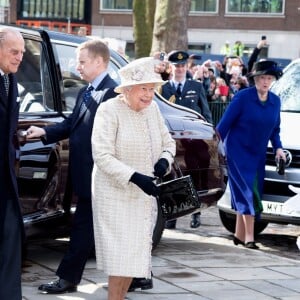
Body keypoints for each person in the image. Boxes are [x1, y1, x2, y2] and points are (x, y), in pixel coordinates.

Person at [26, 39, 119, 294]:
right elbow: (71, 126)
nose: (77, 66)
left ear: (99, 62)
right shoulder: (85, 91)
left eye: (82, 61)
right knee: (111, 229)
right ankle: (142, 274)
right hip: (83, 174)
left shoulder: (112, 93)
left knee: (83, 228)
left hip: (100, 176)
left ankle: (67, 279)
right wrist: (43, 132)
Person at [91, 56, 176, 300]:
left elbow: (168, 142)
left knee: (135, 257)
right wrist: (135, 177)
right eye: (144, 89)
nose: (149, 95)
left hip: (143, 195)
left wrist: (164, 160)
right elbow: (102, 155)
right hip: (115, 194)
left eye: (152, 89)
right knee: (121, 257)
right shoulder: (109, 110)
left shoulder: (153, 109)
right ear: (128, 89)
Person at [216, 60, 286, 249]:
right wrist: (213, 147)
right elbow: (223, 126)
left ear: (273, 80)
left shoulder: (275, 101)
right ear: (255, 78)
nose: (265, 82)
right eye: (262, 78)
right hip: (237, 152)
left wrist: (278, 148)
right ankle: (250, 238)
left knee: (249, 190)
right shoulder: (242, 98)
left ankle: (239, 235)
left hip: (258, 154)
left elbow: (275, 130)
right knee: (249, 192)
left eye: (269, 78)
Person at [160, 50, 212, 229]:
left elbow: (205, 114)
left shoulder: (196, 87)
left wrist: (208, 136)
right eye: (176, 66)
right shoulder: (163, 88)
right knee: (171, 177)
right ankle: (172, 215)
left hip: (192, 142)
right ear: (171, 67)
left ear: (187, 67)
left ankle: (195, 213)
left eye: (183, 66)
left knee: (194, 176)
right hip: (170, 140)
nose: (180, 69)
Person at [0, 27, 25, 300]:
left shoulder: (11, 80)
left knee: (11, 237)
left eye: (21, 52)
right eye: (14, 51)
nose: (19, 58)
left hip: (6, 177)